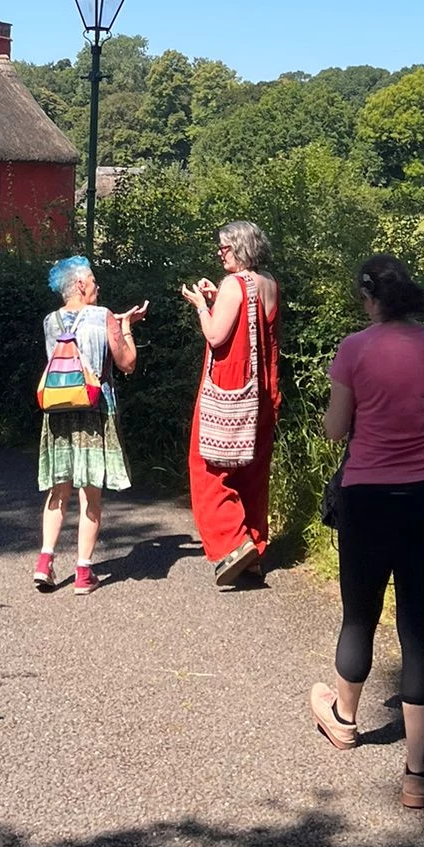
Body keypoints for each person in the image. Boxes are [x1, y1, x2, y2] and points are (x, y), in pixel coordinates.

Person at [308, 252, 424, 810]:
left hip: (368, 495)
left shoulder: (353, 349)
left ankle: (345, 720)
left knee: (360, 614)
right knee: (418, 629)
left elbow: (333, 430)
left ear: (368, 297)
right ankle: (417, 775)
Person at [34, 255, 145, 594]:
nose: (98, 286)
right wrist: (126, 326)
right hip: (96, 412)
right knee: (90, 495)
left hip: (58, 412)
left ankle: (45, 561)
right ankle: (83, 572)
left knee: (59, 489)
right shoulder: (103, 316)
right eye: (94, 280)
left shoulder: (50, 321)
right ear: (81, 284)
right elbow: (127, 363)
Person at [182, 220, 281, 588]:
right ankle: (254, 550)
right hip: (263, 392)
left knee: (209, 468)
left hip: (229, 391)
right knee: (252, 472)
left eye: (224, 248)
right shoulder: (268, 283)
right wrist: (215, 301)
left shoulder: (233, 285)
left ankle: (232, 544)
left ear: (239, 248)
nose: (219, 253)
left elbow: (215, 334)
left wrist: (199, 306)